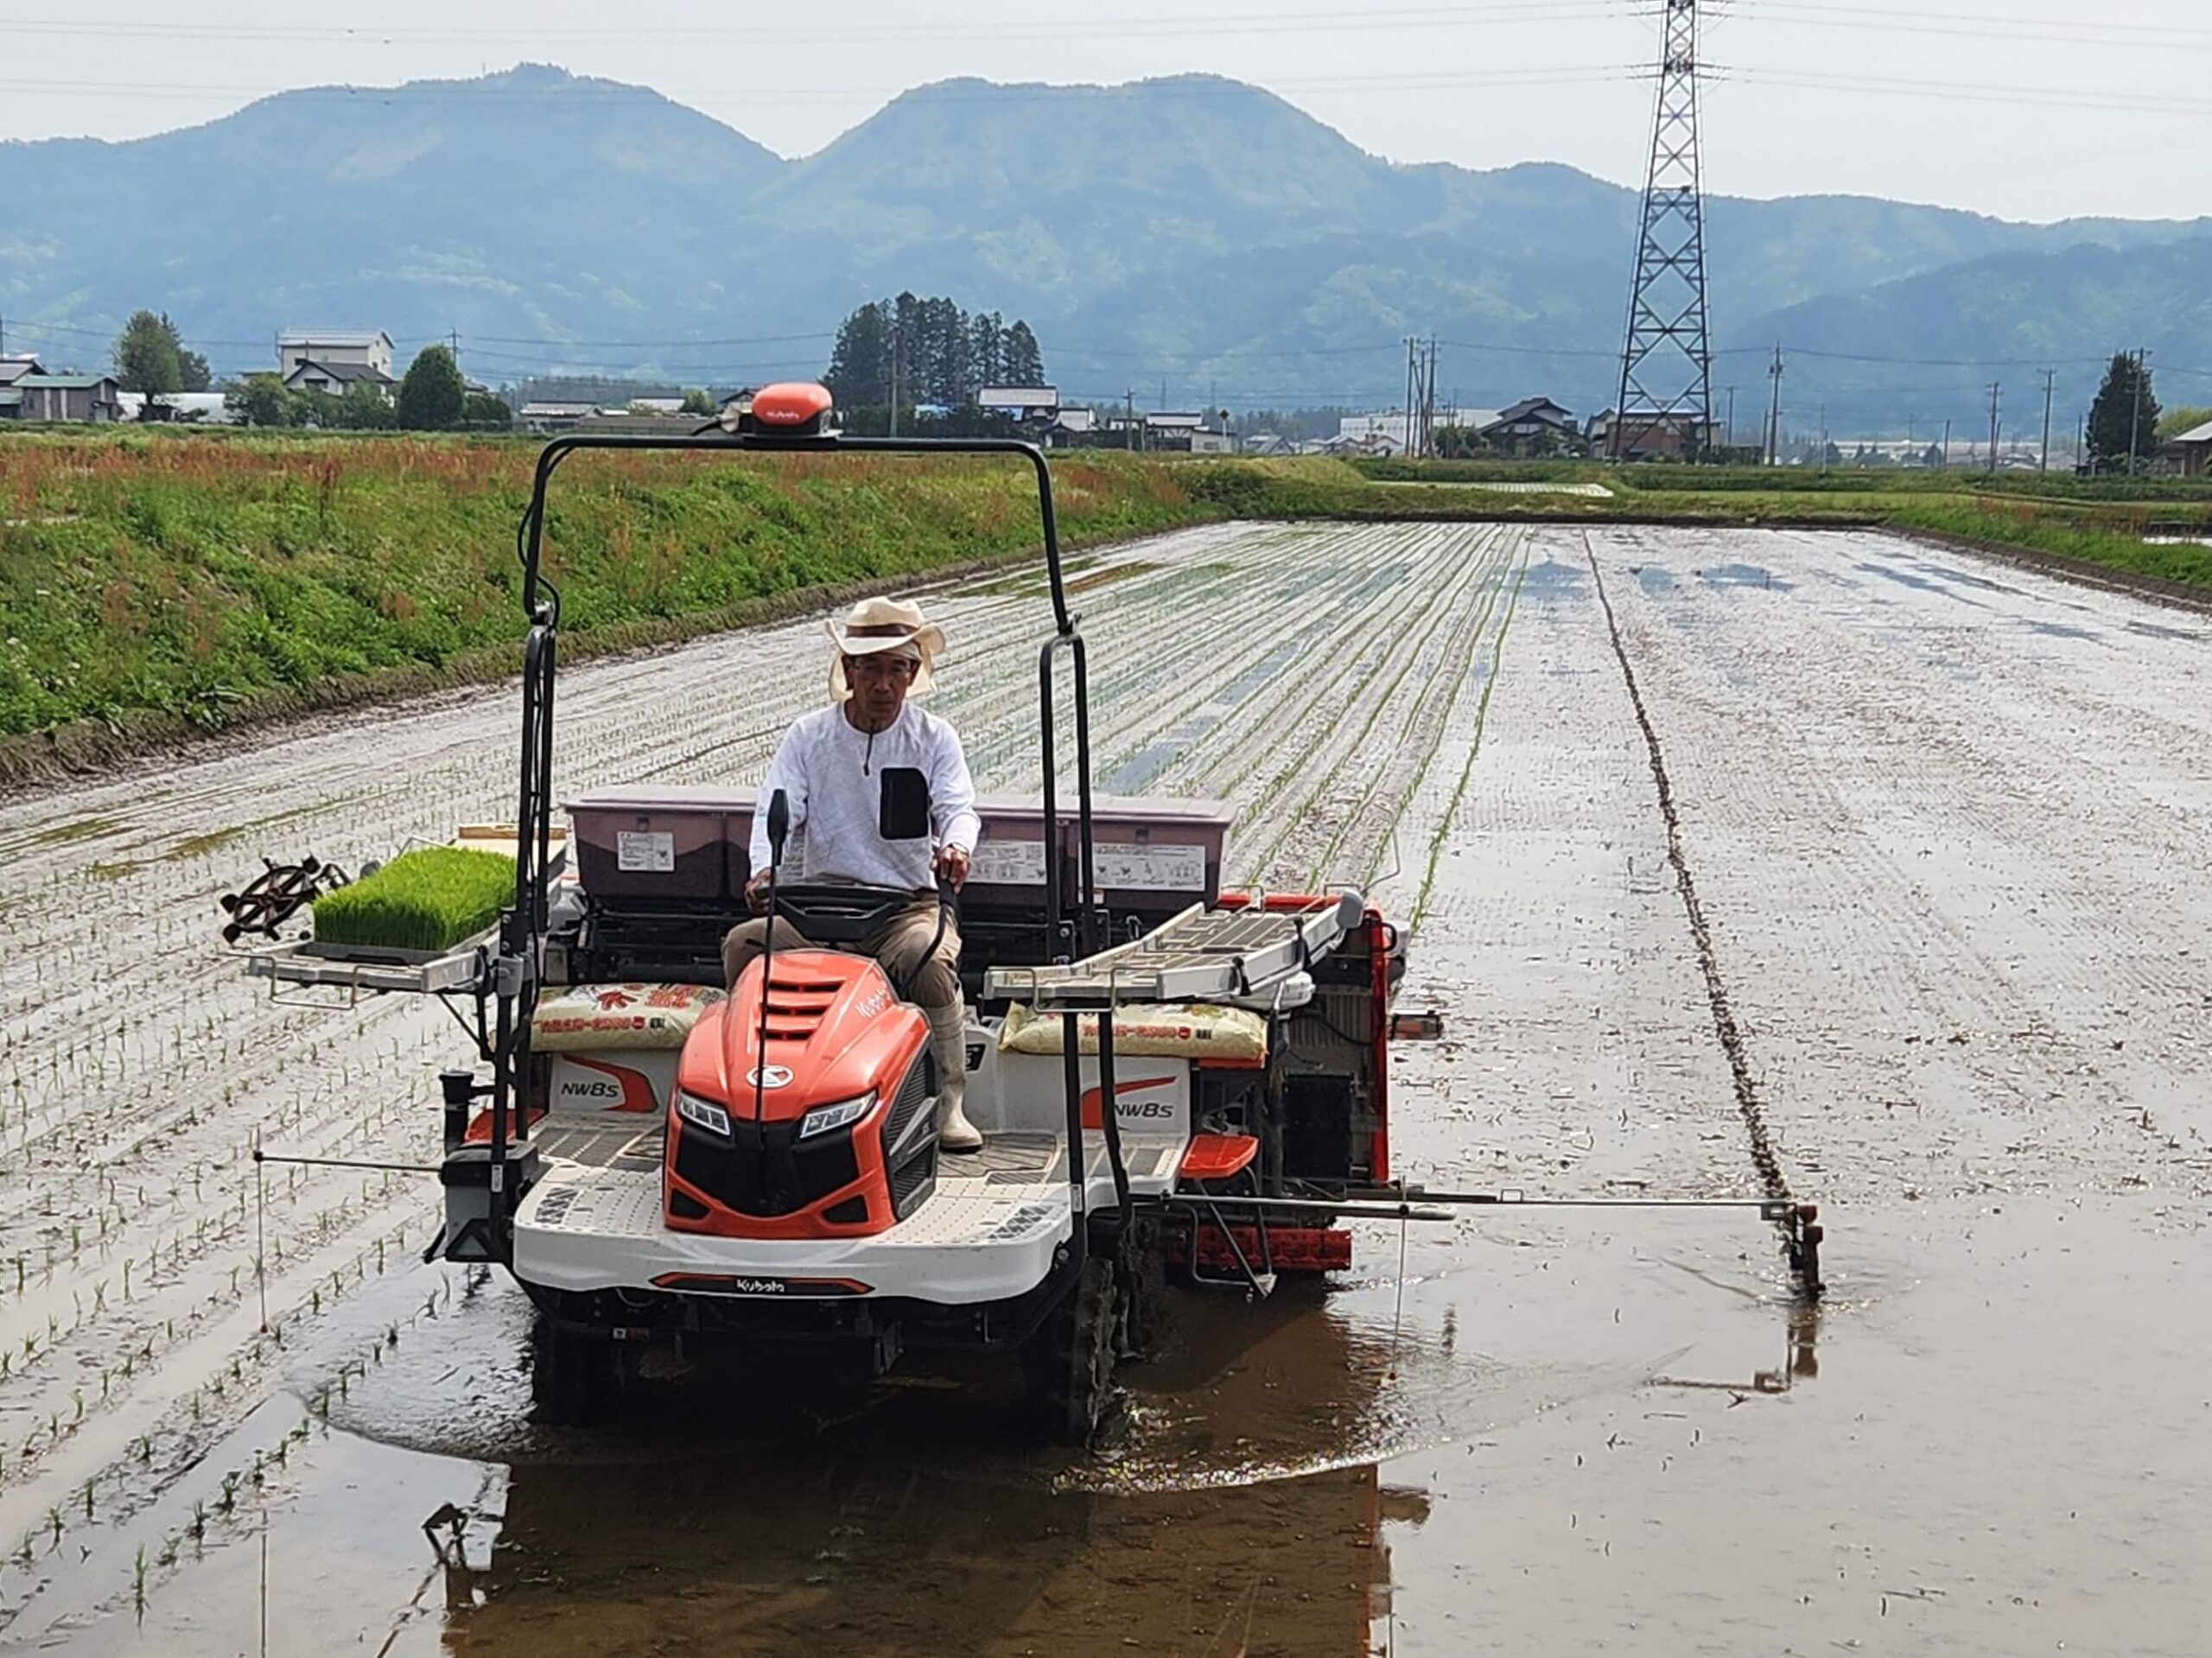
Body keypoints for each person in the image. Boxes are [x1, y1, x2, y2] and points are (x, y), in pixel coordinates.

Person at [721, 596, 984, 1153]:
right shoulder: (809, 736)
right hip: (818, 905)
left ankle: (949, 1102)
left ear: (913, 675)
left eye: (897, 669)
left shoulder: (934, 739)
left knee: (928, 959)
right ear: (849, 672)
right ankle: (749, 1094)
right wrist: (764, 869)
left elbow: (958, 807)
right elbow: (777, 807)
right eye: (871, 669)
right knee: (746, 945)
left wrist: (956, 846)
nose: (884, 684)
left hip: (904, 904)